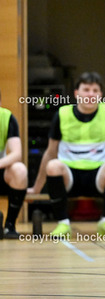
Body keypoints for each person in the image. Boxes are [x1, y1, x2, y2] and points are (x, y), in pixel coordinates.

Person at [29, 72, 105, 237]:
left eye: (95, 91)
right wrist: (36, 188)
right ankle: (63, 223)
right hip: (70, 177)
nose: (90, 94)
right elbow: (50, 152)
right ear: (76, 93)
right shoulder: (62, 114)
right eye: (86, 90)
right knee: (53, 165)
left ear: (101, 95)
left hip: (98, 176)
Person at [0, 90, 28, 239]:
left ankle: (10, 224)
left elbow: (17, 154)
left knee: (20, 170)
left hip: (1, 172)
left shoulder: (7, 118)